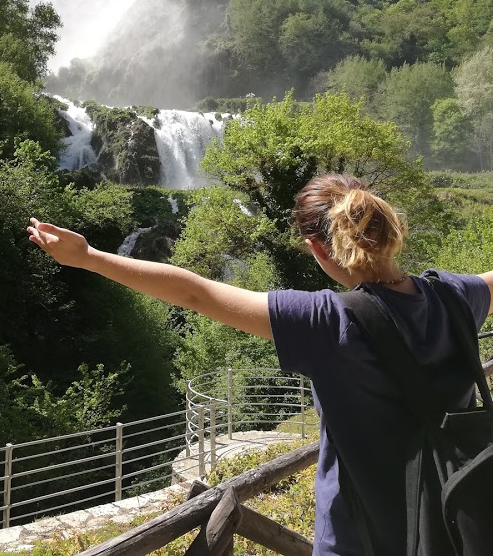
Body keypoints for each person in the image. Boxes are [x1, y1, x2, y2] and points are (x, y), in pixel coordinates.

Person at [27, 173, 493, 556]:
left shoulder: (326, 320)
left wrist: (87, 257)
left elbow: (195, 292)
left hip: (360, 536)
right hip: (459, 514)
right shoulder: (457, 296)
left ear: (318, 248)